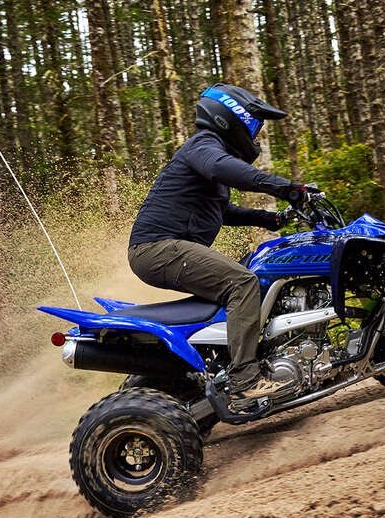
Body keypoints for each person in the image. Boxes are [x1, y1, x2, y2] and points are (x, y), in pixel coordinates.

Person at [127, 84, 320, 400]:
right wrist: (285, 188)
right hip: (157, 248)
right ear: (233, 117)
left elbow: (223, 211)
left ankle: (229, 361)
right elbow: (221, 168)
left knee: (251, 272)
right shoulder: (204, 145)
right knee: (242, 283)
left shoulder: (207, 154)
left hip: (163, 249)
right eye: (255, 126)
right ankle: (245, 378)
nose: (256, 135)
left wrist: (273, 219)